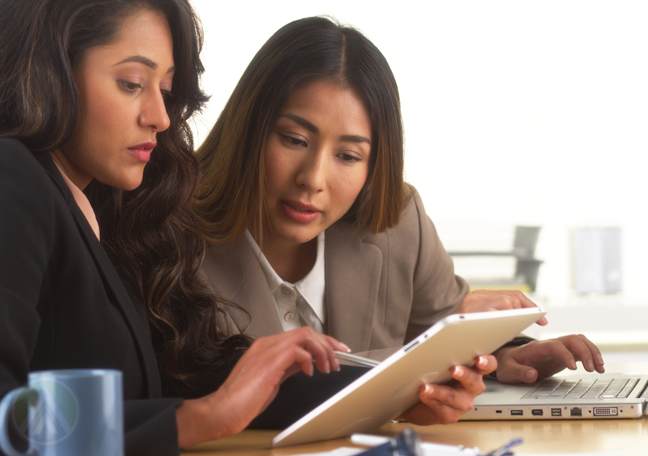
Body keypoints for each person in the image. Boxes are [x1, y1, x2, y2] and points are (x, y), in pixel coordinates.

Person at [0, 2, 381, 455]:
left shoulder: (103, 206)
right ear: (52, 69)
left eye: (165, 89)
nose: (160, 117)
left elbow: (189, 375)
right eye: (132, 84)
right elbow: (8, 418)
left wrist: (401, 389)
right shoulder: (13, 177)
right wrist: (202, 418)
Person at [195, 16, 605, 386]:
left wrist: (504, 354)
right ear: (249, 127)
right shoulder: (169, 229)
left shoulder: (398, 221)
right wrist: (429, 362)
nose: (313, 179)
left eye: (348, 156)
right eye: (294, 140)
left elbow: (442, 326)